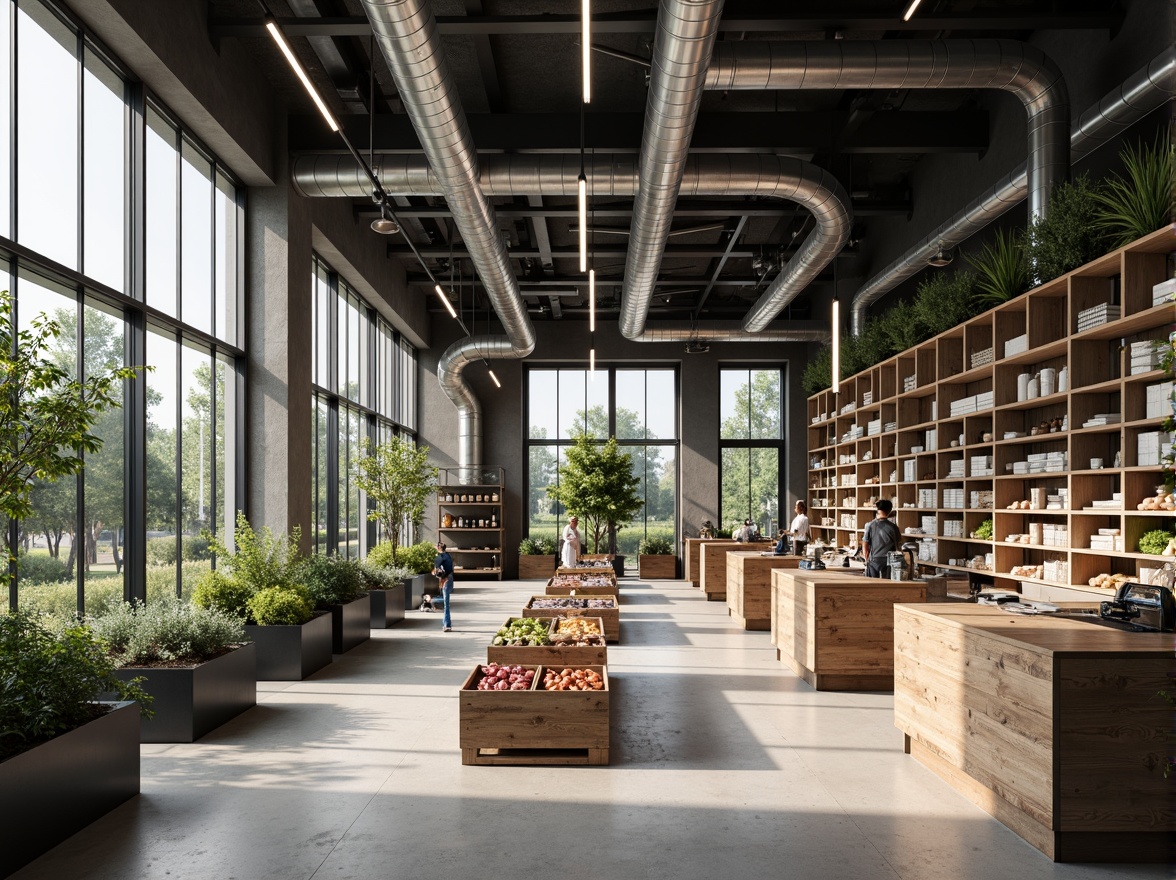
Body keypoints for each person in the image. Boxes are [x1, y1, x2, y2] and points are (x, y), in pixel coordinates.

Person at [862, 499, 901, 578]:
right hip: (889, 561)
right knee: (886, 587)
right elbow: (898, 547)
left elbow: (865, 544)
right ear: (890, 511)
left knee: (872, 586)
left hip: (874, 561)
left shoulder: (870, 525)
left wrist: (866, 559)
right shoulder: (893, 527)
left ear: (877, 511)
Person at [432, 541, 454, 631]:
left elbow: (436, 571)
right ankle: (446, 623)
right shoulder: (448, 555)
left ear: (438, 548)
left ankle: (446, 625)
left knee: (446, 604)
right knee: (446, 602)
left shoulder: (440, 558)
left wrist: (435, 572)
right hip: (450, 578)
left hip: (445, 580)